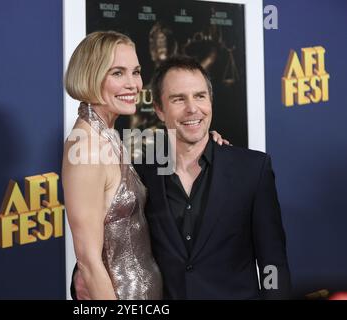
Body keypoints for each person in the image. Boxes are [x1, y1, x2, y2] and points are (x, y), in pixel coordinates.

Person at [73, 55, 292, 300]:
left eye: (200, 96)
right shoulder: (140, 173)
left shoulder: (252, 169)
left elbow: (273, 263)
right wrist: (80, 277)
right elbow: (110, 245)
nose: (192, 108)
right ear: (159, 109)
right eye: (178, 99)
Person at [63, 31, 227, 300]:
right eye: (117, 73)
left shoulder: (108, 135)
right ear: (91, 75)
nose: (133, 84)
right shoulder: (86, 147)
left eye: (136, 72)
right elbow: (89, 263)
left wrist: (206, 144)